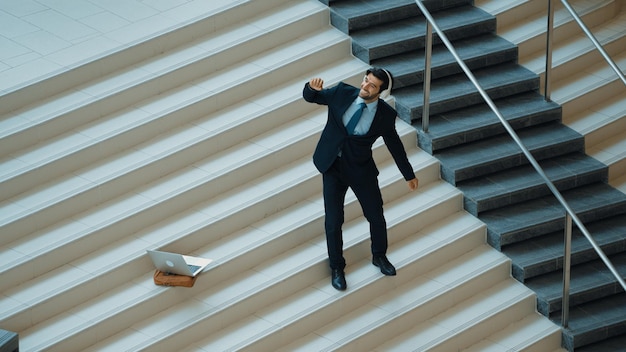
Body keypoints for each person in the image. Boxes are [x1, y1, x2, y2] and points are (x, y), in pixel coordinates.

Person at [302, 67, 419, 291]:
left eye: (372, 85)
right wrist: (310, 88)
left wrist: (408, 174)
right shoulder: (342, 92)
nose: (365, 86)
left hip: (361, 170)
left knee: (375, 215)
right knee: (333, 220)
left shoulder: (385, 115)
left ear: (381, 91)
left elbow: (395, 145)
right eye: (366, 81)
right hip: (332, 167)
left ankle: (379, 256)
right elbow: (313, 97)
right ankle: (337, 267)